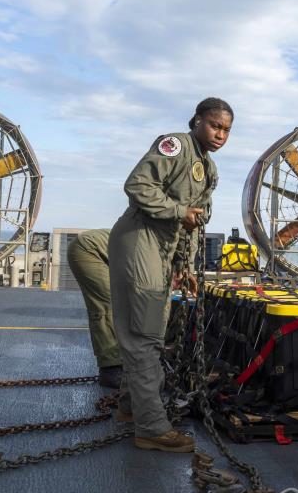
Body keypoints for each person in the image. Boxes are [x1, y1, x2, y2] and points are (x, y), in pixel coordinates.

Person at [109, 97, 231, 452]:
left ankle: (131, 408)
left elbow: (193, 224)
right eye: (214, 125)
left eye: (226, 130)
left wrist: (185, 267)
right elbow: (137, 186)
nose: (220, 134)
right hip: (139, 238)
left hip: (163, 248)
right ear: (196, 122)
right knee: (143, 335)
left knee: (152, 331)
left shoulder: (209, 170)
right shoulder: (175, 146)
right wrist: (178, 210)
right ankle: (150, 428)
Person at [67, 228, 122, 388]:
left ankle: (120, 360)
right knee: (107, 306)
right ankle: (111, 369)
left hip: (103, 252)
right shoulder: (157, 255)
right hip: (88, 250)